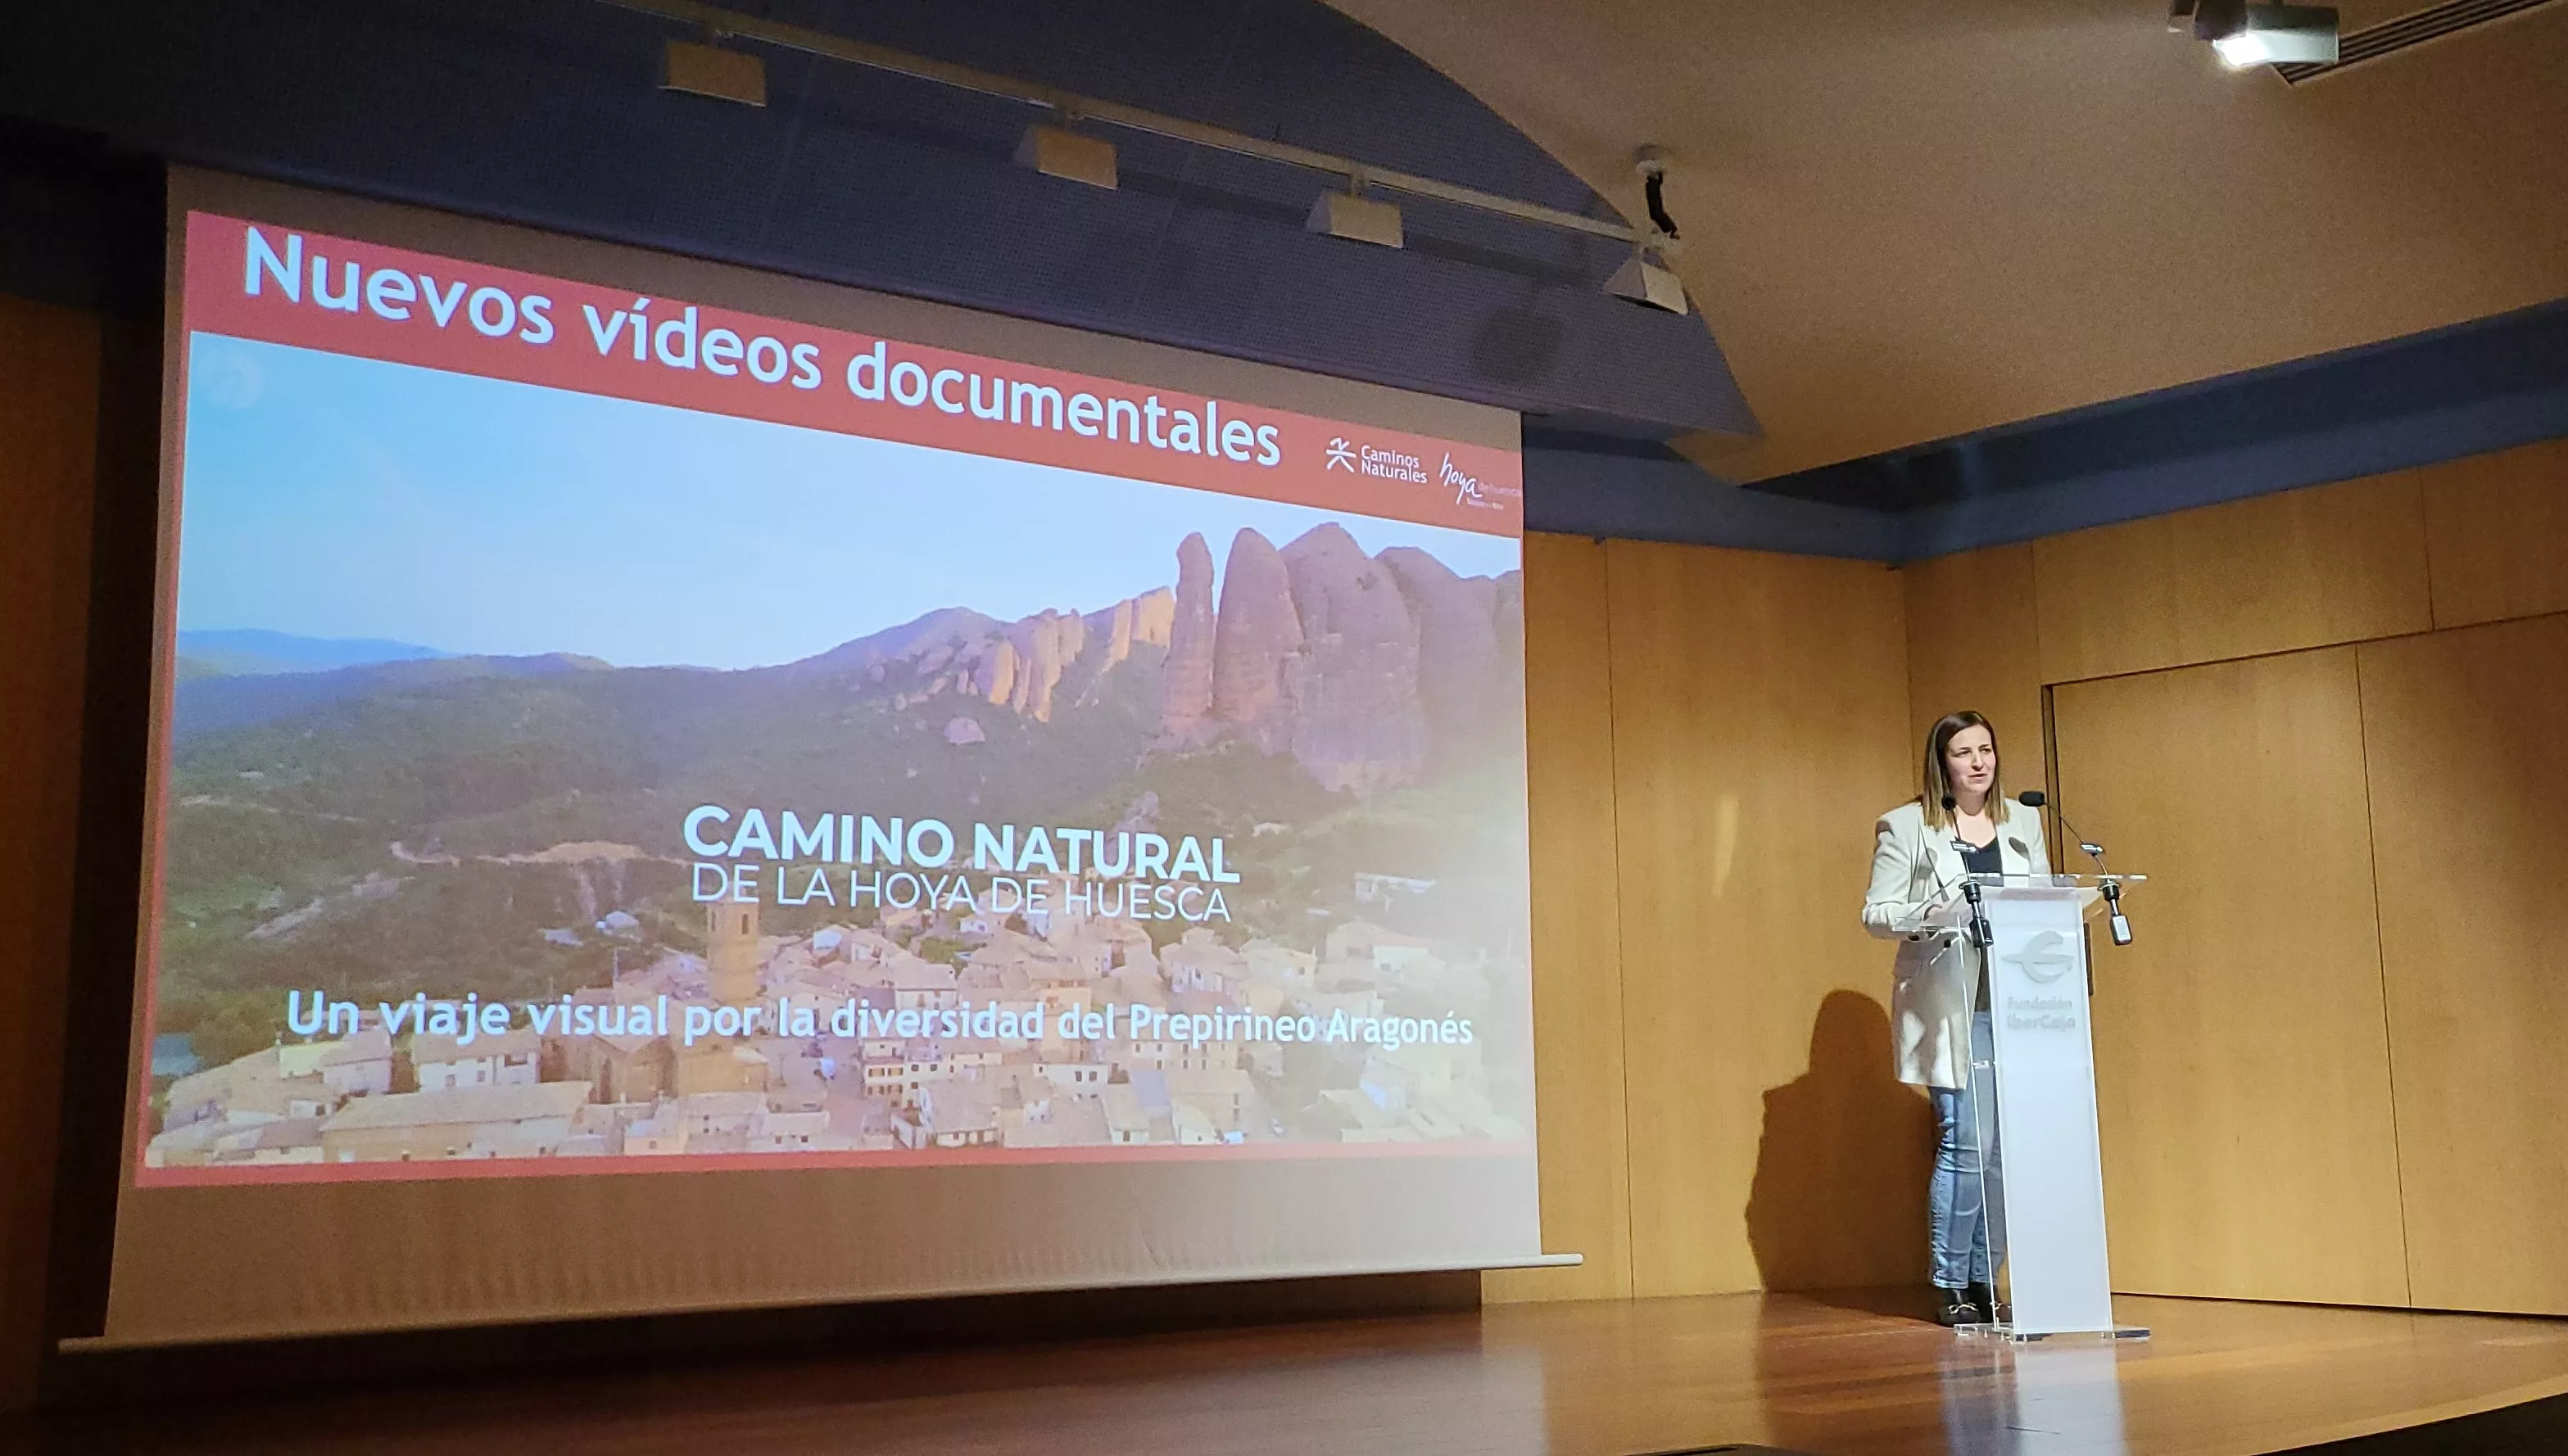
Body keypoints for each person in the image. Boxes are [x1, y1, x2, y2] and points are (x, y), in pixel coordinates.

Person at [1861, 710, 2049, 1327]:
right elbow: (1876, 913)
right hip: (1951, 1005)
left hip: (2020, 1002)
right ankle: (1949, 1282)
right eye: (1963, 752)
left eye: (1986, 750)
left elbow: (2043, 899)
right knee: (1969, 1144)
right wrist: (1935, 912)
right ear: (1940, 763)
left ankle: (1982, 1275)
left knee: (2005, 1154)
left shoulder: (2021, 821)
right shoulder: (1907, 826)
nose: (1977, 762)